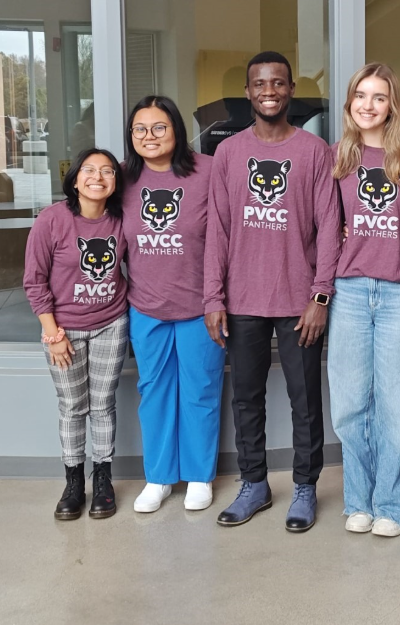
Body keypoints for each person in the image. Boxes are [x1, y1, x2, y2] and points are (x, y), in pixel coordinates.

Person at [204, 51, 341, 533]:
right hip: (242, 302)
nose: (269, 90)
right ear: (248, 91)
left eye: (279, 83)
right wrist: (213, 298)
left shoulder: (313, 153)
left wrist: (321, 295)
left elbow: (329, 228)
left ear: (290, 91)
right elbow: (217, 230)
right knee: (246, 398)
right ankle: (255, 484)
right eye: (260, 83)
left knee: (305, 400)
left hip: (299, 301)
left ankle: (305, 487)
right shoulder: (228, 153)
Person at [328, 63, 400, 537]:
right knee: (350, 403)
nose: (368, 105)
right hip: (350, 288)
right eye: (361, 96)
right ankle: (359, 500)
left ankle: (392, 504)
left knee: (396, 404)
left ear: (393, 104)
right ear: (350, 103)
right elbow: (326, 225)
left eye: (379, 97)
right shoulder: (340, 156)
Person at [123, 95, 226, 513]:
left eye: (159, 127)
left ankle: (200, 476)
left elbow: (225, 235)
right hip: (146, 306)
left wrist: (215, 298)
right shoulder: (124, 180)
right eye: (140, 130)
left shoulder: (208, 171)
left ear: (177, 130)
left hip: (201, 305)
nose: (150, 136)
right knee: (155, 392)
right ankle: (159, 477)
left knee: (202, 390)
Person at [24, 148, 128, 520]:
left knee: (102, 406)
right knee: (72, 406)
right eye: (89, 169)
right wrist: (53, 334)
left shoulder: (121, 220)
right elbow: (34, 282)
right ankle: (73, 483)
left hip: (111, 324)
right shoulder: (52, 220)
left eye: (107, 171)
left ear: (116, 181)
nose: (97, 177)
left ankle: (103, 480)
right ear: (75, 178)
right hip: (63, 329)